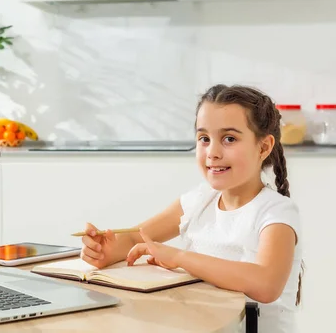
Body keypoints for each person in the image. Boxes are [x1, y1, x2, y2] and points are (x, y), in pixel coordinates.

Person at [81, 84, 303, 333]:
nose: (213, 152)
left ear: (263, 147)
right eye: (204, 139)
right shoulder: (199, 199)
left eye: (229, 139)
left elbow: (266, 284)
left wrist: (178, 257)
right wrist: (104, 250)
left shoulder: (276, 212)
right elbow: (137, 237)